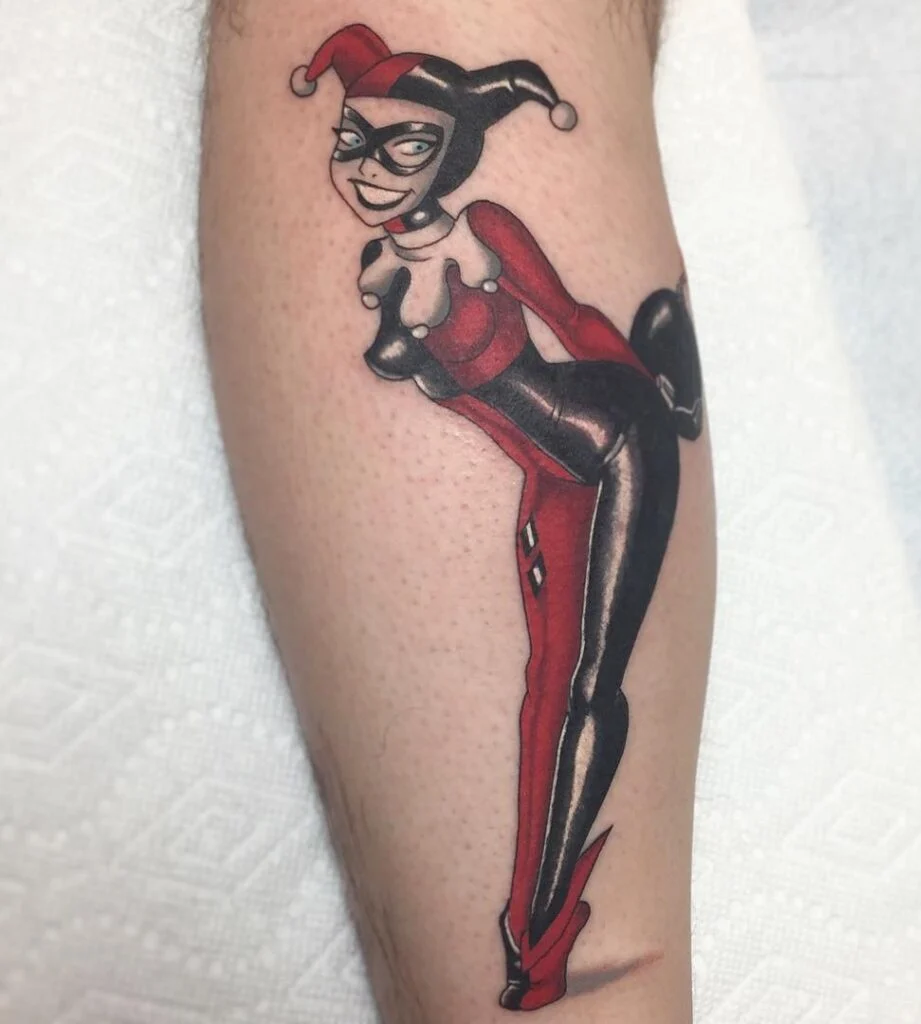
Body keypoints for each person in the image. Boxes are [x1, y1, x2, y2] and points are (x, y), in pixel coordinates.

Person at [201, 2, 715, 1021]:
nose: (368, 167)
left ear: (455, 152)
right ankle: (536, 947)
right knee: (543, 696)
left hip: (616, 444)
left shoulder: (485, 232)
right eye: (354, 138)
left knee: (583, 687)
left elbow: (569, 315)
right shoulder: (377, 267)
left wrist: (642, 389)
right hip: (549, 474)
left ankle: (543, 955)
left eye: (407, 145)